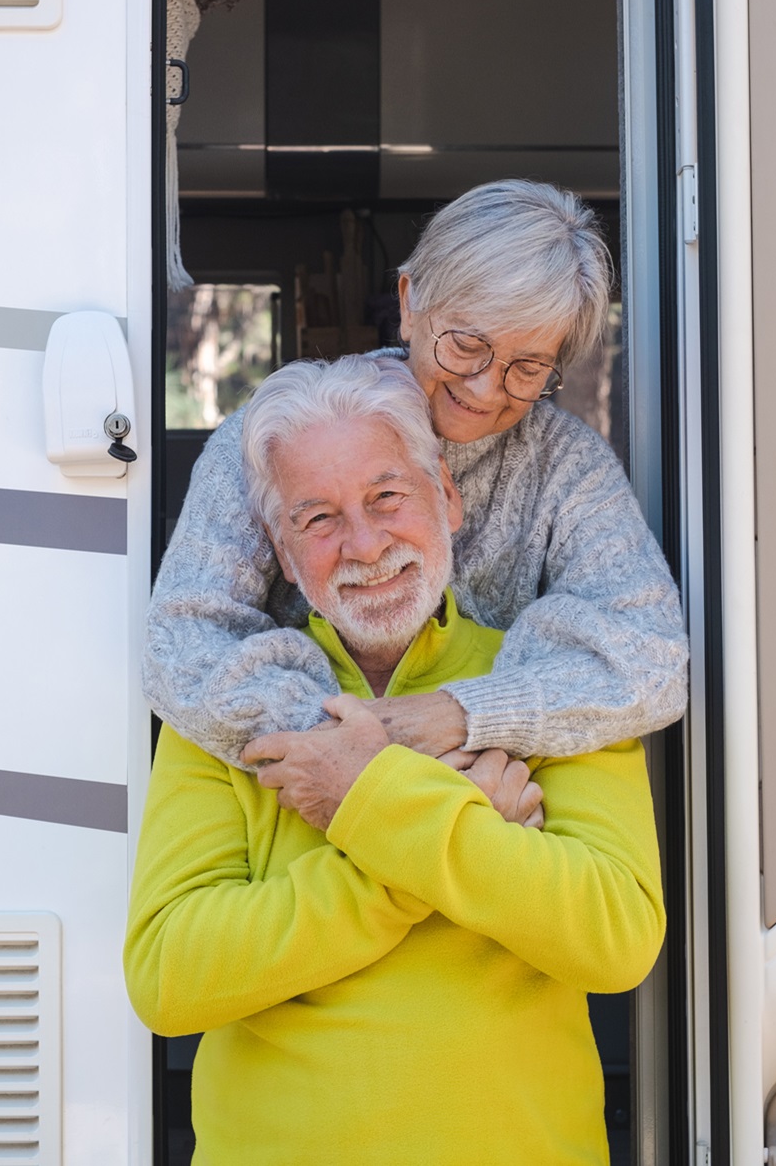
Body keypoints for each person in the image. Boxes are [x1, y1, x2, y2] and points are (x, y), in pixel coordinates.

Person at [124, 355, 666, 1164]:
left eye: (387, 497)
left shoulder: (547, 681)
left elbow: (614, 937)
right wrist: (408, 846)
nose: (365, 544)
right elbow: (168, 978)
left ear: (445, 496)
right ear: (279, 542)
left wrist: (366, 800)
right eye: (318, 518)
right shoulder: (228, 697)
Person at [144, 179, 688, 769]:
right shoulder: (272, 442)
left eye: (527, 367)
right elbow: (181, 650)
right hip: (292, 808)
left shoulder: (568, 467)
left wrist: (464, 714)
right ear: (408, 305)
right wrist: (364, 750)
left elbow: (654, 665)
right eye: (465, 345)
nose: (483, 388)